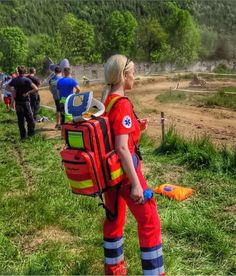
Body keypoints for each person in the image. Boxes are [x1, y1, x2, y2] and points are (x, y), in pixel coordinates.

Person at [101, 54, 165, 275]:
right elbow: (121, 148)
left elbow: (115, 133)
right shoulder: (122, 104)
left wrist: (137, 127)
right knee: (150, 221)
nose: (135, 77)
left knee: (114, 219)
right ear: (124, 75)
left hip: (110, 176)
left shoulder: (108, 100)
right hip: (126, 173)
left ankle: (114, 269)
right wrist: (137, 184)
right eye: (133, 73)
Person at [7, 66, 38, 140]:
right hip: (25, 102)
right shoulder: (27, 80)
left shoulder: (14, 80)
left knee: (20, 120)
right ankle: (31, 134)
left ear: (19, 72)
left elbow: (7, 87)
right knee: (30, 119)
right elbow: (36, 89)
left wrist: (13, 91)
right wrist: (28, 92)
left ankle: (23, 136)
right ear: (25, 72)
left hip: (18, 102)